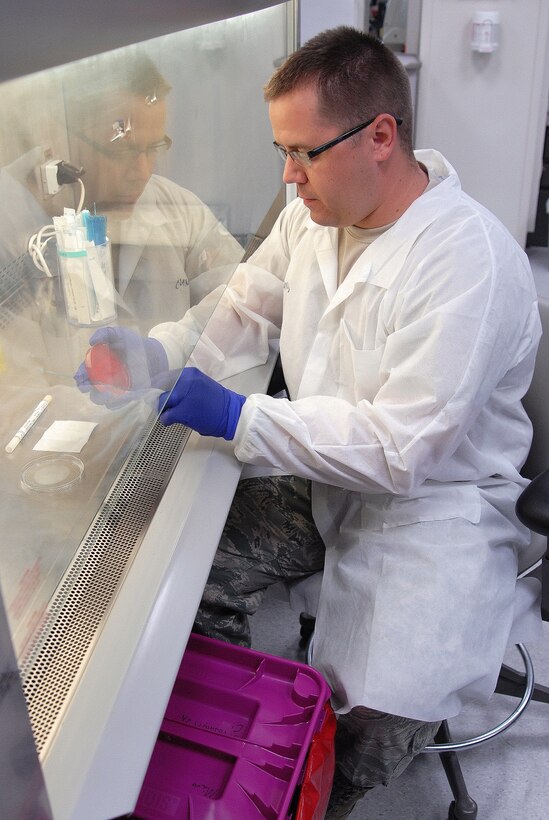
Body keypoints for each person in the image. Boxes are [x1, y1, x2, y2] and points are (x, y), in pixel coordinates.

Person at [77, 28, 543, 818]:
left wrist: (237, 414)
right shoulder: (314, 215)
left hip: (433, 515)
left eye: (304, 152)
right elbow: (240, 311)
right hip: (328, 476)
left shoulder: (468, 264)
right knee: (182, 577)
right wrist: (160, 356)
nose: (288, 178)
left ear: (381, 137)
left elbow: (400, 453)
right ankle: (222, 728)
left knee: (353, 737)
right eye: (280, 151)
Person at [59, 51, 244, 332]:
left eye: (153, 148)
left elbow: (242, 300)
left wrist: (172, 348)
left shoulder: (179, 209)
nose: (143, 172)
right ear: (74, 140)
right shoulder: (32, 225)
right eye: (124, 151)